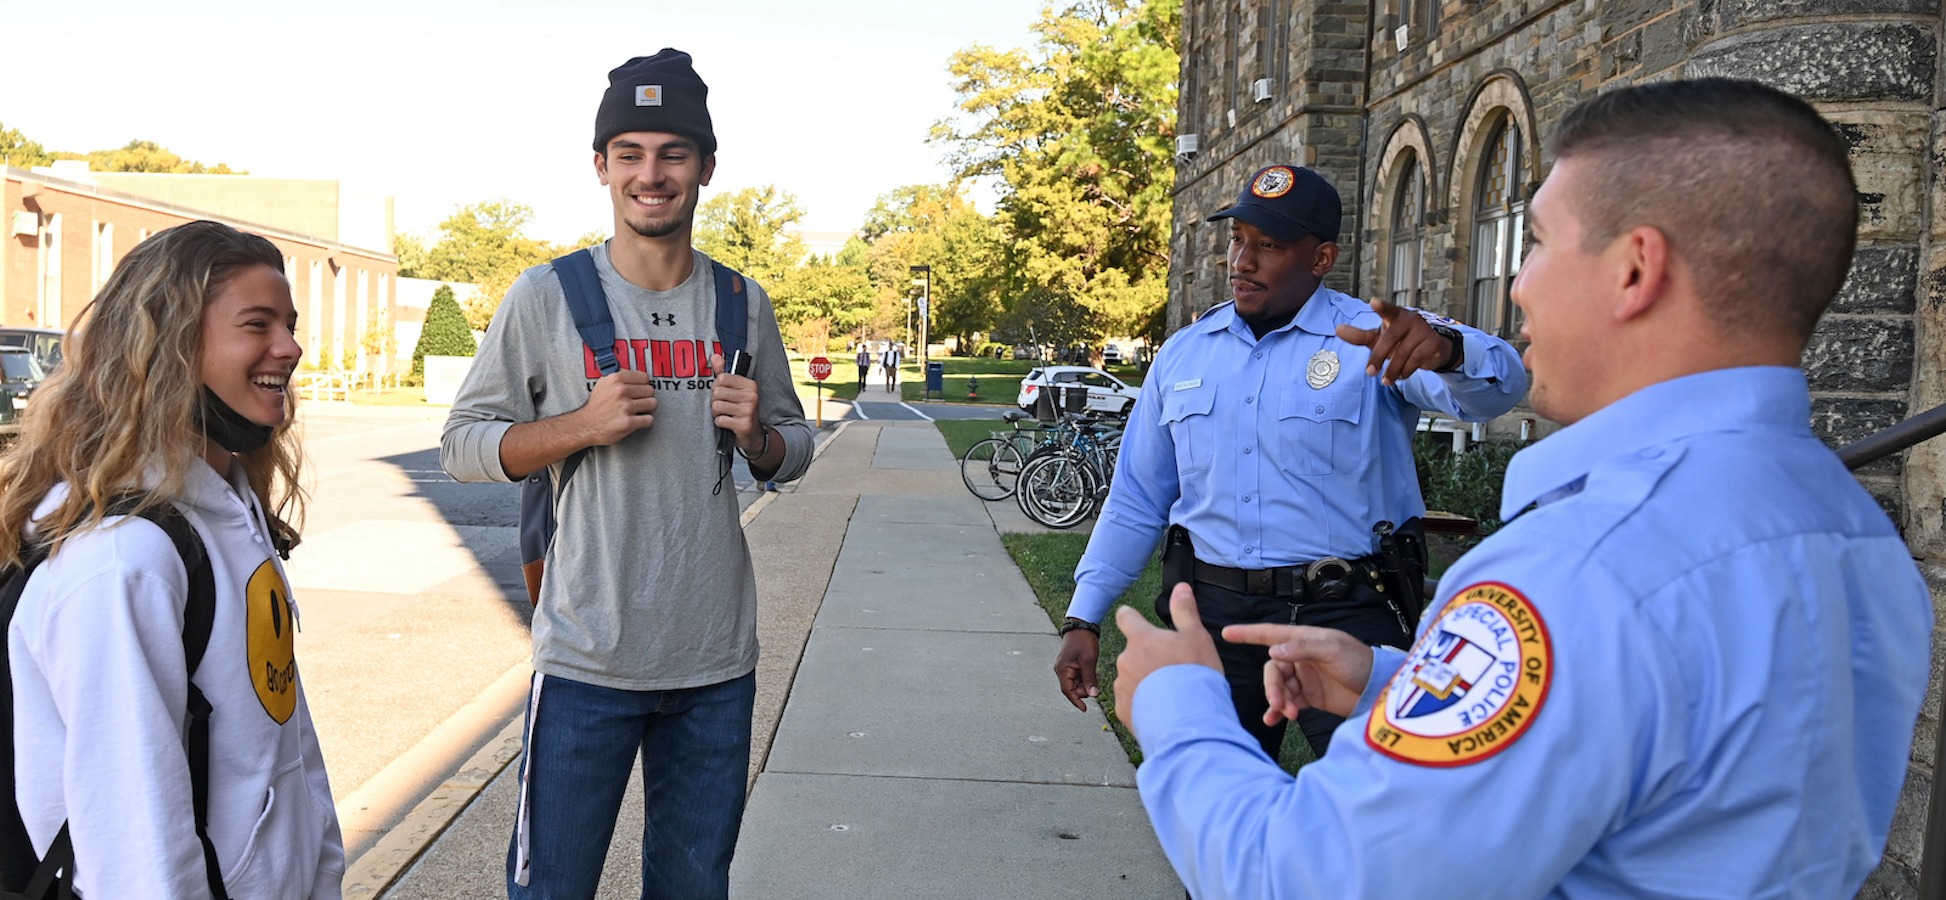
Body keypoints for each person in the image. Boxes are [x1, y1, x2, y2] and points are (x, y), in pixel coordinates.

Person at [1112, 78, 1933, 898]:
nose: (1516, 285)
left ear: (1635, 269)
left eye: (1536, 242)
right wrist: (1396, 686)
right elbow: (1658, 761)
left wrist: (1179, 701)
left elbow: (1309, 876)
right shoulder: (1855, 534)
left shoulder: (1574, 575)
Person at [440, 49, 811, 899]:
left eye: (673, 153)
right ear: (601, 165)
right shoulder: (546, 295)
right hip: (585, 664)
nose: (652, 174)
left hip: (715, 664)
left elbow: (793, 448)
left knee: (693, 887)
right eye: (632, 153)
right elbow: (463, 445)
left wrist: (759, 439)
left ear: (705, 168)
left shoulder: (742, 302)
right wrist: (579, 426)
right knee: (551, 889)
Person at [1054, 163, 1527, 760]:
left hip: (1347, 611)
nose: (1241, 262)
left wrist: (1451, 350)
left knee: (1378, 803)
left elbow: (1498, 390)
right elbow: (1137, 500)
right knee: (1215, 809)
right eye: (1238, 241)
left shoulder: (1371, 339)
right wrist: (1084, 618)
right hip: (1217, 617)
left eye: (1268, 246)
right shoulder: (1184, 355)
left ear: (1321, 257)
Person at [0, 220, 343, 897]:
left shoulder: (227, 508)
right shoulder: (123, 559)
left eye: (290, 323)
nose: (291, 346)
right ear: (171, 347)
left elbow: (282, 750)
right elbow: (136, 846)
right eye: (257, 324)